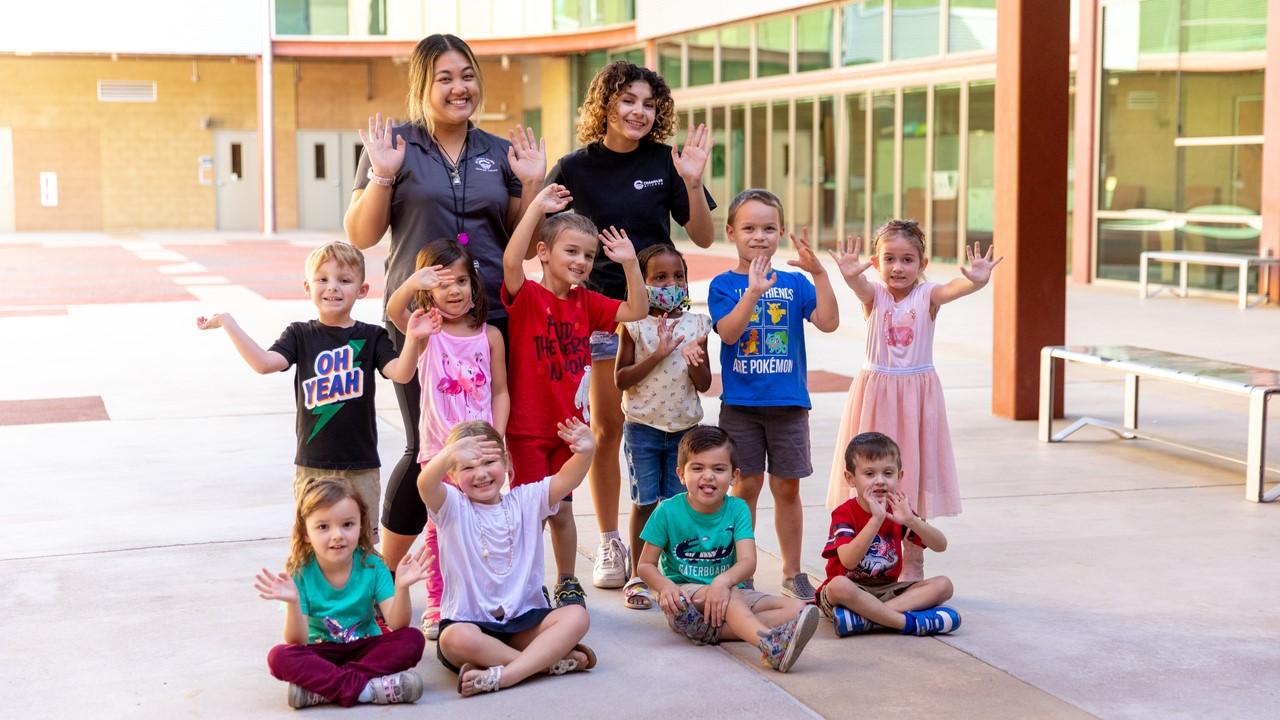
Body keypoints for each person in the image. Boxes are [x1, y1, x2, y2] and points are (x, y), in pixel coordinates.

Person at [343, 33, 546, 555]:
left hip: (490, 318)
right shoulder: (393, 146)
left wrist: (528, 186)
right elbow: (361, 236)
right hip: (420, 323)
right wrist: (383, 175)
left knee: (489, 448)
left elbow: (516, 242)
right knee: (425, 448)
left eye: (468, 75)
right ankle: (384, 573)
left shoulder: (500, 152)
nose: (460, 87)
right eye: (446, 78)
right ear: (423, 85)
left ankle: (483, 564)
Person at [545, 60, 716, 590]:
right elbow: (545, 239)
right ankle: (611, 542)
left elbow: (705, 236)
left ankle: (661, 543)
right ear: (605, 105)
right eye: (627, 100)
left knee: (661, 428)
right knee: (604, 427)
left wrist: (692, 182)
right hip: (598, 312)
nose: (638, 111)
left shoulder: (666, 162)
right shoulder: (574, 167)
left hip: (658, 316)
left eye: (647, 103)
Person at [196, 241, 428, 526]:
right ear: (307, 288)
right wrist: (229, 323)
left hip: (361, 466)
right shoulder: (300, 335)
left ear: (362, 290)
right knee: (312, 545)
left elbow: (402, 374)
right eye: (322, 279)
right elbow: (264, 363)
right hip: (312, 466)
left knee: (361, 546)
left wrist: (414, 339)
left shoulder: (372, 337)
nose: (332, 287)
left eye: (344, 280)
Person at [824, 221, 1002, 579]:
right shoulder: (875, 294)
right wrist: (848, 275)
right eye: (889, 259)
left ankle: (913, 557)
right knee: (872, 471)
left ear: (922, 264)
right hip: (876, 395)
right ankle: (869, 548)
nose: (898, 268)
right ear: (876, 262)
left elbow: (954, 288)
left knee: (913, 476)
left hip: (916, 399)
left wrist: (976, 281)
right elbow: (859, 287)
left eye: (907, 260)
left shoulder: (928, 296)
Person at [501, 183, 648, 607]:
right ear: (544, 252)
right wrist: (536, 209)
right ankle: (528, 585)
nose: (582, 261)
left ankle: (567, 579)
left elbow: (635, 311)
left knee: (563, 511)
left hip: (569, 431)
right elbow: (512, 260)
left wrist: (630, 265)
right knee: (530, 515)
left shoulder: (588, 302)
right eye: (571, 251)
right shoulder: (527, 295)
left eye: (588, 255)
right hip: (527, 428)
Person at [707, 189, 839, 601]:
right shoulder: (723, 285)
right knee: (744, 489)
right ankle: (741, 569)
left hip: (789, 407)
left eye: (768, 228)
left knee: (788, 490)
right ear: (731, 232)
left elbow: (829, 322)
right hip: (741, 409)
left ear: (780, 232)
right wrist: (752, 291)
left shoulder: (796, 283)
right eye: (749, 228)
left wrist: (820, 274)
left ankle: (792, 571)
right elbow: (728, 333)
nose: (759, 236)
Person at [383, 238, 510, 640]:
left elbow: (500, 391)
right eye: (442, 284)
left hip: (482, 453)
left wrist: (498, 440)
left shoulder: (490, 336)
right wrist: (411, 283)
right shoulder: (425, 332)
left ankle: (482, 595)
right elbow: (393, 310)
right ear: (427, 292)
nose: (454, 290)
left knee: (485, 527)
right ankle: (438, 602)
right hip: (439, 451)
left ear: (474, 285)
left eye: (461, 280)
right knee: (440, 530)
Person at [419, 420, 598, 697]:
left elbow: (566, 479)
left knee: (576, 616)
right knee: (453, 639)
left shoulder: (525, 500)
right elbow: (425, 484)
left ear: (507, 464)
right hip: (471, 625)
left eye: (489, 462)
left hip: (525, 622)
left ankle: (505, 675)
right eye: (467, 467)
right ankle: (542, 664)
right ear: (452, 476)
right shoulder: (451, 507)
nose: (480, 474)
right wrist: (447, 454)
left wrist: (586, 452)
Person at [636, 425, 819, 673]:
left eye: (719, 469)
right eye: (697, 468)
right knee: (730, 593)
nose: (708, 476)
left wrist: (721, 582)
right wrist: (664, 586)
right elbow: (645, 565)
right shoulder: (667, 511)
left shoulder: (738, 509)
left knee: (797, 609)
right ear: (681, 474)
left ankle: (710, 631)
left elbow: (747, 561)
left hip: (730, 592)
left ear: (734, 476)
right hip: (687, 599)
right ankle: (769, 644)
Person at [255, 477, 427, 708]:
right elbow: (296, 640)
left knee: (412, 639)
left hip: (365, 647)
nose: (337, 535)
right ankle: (369, 690)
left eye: (347, 524)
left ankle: (324, 689)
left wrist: (402, 588)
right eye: (323, 527)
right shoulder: (300, 572)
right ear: (306, 532)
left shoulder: (373, 565)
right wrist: (293, 603)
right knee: (279, 657)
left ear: (360, 525)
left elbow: (397, 623)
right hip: (320, 652)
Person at [614, 244, 711, 610]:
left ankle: (670, 573)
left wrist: (695, 360)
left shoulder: (697, 325)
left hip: (685, 430)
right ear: (644, 283)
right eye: (660, 277)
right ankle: (639, 574)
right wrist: (658, 354)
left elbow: (704, 383)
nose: (671, 283)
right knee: (644, 502)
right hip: (643, 427)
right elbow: (620, 379)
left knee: (674, 504)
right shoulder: (634, 324)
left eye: (678, 276)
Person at [818, 432, 960, 637]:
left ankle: (868, 620)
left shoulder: (898, 509)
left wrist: (911, 520)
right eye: (869, 474)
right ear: (850, 478)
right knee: (838, 586)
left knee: (944, 585)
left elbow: (940, 545)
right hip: (850, 592)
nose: (880, 481)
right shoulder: (844, 513)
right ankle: (905, 623)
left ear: (899, 476)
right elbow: (848, 561)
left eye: (888, 473)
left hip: (888, 590)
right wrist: (876, 520)